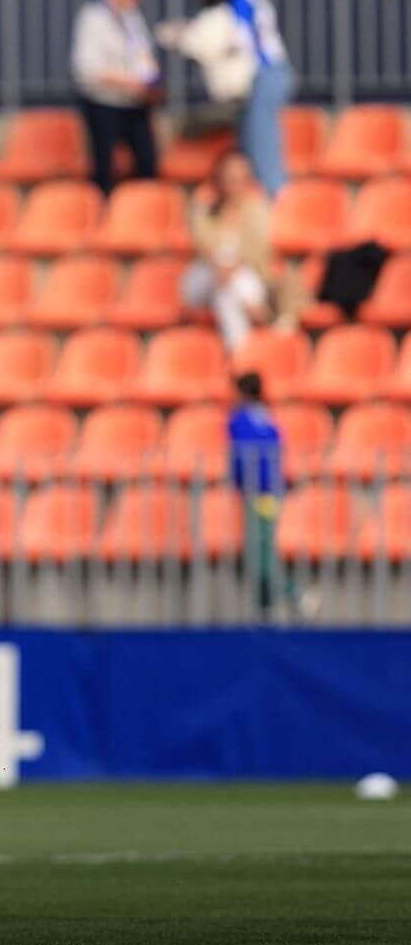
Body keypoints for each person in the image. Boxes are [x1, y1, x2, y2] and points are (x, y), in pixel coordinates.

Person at [157, 0, 294, 193]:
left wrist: (182, 36)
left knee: (262, 148)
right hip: (263, 77)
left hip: (265, 75)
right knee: (248, 148)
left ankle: (277, 200)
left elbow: (223, 41)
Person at [72, 0, 161, 195]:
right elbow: (87, 69)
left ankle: (143, 206)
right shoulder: (93, 17)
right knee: (104, 167)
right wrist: (130, 81)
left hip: (135, 102)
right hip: (104, 103)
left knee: (147, 162)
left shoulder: (133, 17)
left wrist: (152, 80)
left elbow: (142, 54)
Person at [228, 372, 304, 621]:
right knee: (263, 548)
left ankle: (291, 596)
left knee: (262, 552)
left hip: (256, 492)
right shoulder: (267, 417)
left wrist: (238, 483)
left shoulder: (240, 419)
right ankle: (267, 607)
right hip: (271, 490)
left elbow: (239, 456)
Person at [183, 151, 274, 357]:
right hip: (207, 276)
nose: (233, 186)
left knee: (225, 295)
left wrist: (232, 267)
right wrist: (222, 266)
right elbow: (204, 246)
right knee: (227, 279)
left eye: (238, 179)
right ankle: (255, 306)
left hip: (233, 281)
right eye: (228, 179)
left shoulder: (258, 210)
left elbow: (258, 248)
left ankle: (238, 356)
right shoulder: (204, 211)